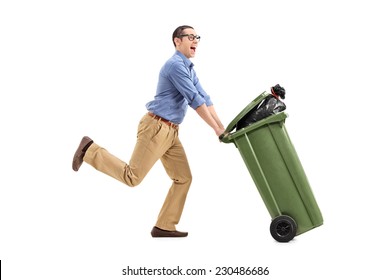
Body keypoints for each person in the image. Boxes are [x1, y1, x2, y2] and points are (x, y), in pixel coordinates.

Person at [72, 25, 225, 238]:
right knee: (132, 177)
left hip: (171, 132)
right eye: (190, 36)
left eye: (197, 37)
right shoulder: (174, 66)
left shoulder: (189, 67)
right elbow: (194, 100)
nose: (195, 40)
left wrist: (221, 127)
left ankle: (164, 226)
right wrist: (215, 129)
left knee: (183, 178)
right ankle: (89, 149)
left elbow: (204, 98)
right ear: (177, 41)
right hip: (156, 128)